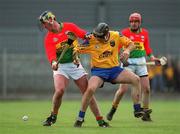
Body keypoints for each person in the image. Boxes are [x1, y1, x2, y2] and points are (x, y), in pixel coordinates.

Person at [38, 10, 108, 127]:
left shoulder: (70, 26)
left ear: (51, 20)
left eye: (45, 24)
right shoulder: (49, 38)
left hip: (75, 64)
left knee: (87, 92)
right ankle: (53, 116)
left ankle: (100, 120)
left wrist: (88, 36)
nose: (44, 26)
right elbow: (51, 54)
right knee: (59, 90)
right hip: (61, 67)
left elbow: (82, 34)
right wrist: (54, 62)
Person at [74, 22, 144, 127]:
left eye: (99, 36)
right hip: (99, 71)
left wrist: (127, 51)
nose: (97, 38)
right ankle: (80, 118)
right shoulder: (92, 39)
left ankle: (137, 109)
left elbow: (131, 44)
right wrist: (76, 58)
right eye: (96, 35)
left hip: (115, 70)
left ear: (106, 34)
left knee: (136, 79)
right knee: (90, 89)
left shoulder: (116, 35)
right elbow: (76, 50)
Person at [106, 12, 160, 122]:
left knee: (147, 89)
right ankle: (113, 109)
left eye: (136, 21)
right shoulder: (125, 32)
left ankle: (145, 114)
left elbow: (147, 48)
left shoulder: (145, 33)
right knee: (123, 89)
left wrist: (153, 58)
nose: (133, 23)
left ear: (140, 22)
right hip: (128, 62)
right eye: (131, 21)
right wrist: (120, 58)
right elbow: (119, 46)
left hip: (141, 62)